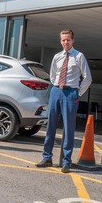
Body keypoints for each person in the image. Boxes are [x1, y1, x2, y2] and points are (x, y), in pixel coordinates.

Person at [36, 29, 92, 173]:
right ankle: (47, 157)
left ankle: (66, 161)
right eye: (63, 40)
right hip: (56, 90)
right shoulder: (57, 57)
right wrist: (56, 86)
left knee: (68, 128)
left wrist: (77, 92)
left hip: (70, 93)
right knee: (50, 126)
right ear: (60, 41)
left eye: (68, 39)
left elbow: (87, 78)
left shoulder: (79, 56)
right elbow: (53, 74)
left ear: (73, 40)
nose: (65, 42)